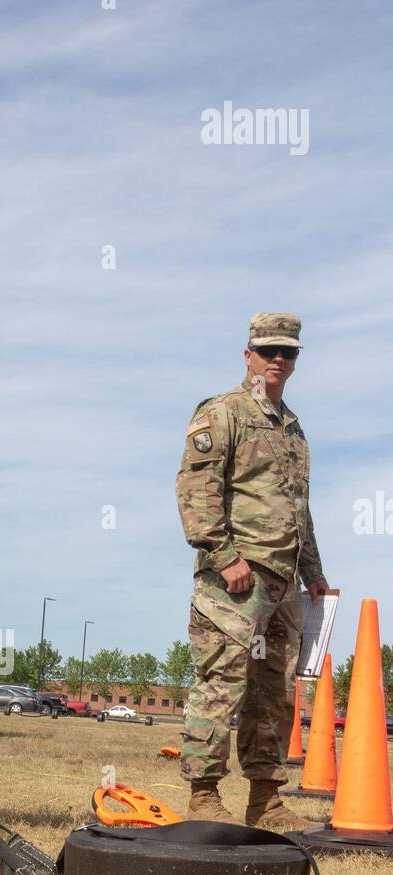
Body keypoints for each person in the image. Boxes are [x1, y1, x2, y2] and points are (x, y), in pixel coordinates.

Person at [176, 312, 330, 829]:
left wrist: (313, 572)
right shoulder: (223, 412)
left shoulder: (293, 428)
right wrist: (224, 557)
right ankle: (203, 794)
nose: (279, 360)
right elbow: (197, 490)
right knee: (222, 682)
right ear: (249, 355)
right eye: (269, 351)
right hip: (236, 579)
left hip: (283, 581)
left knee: (274, 693)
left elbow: (298, 508)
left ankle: (265, 797)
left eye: (289, 353)